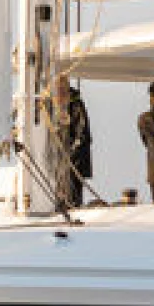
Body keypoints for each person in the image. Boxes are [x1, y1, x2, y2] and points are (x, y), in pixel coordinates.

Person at [47, 74, 93, 209]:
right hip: (58, 160)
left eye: (61, 88)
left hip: (74, 160)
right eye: (57, 89)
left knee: (73, 193)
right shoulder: (51, 106)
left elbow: (83, 133)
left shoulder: (76, 105)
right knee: (58, 190)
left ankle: (72, 206)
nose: (59, 92)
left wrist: (72, 152)